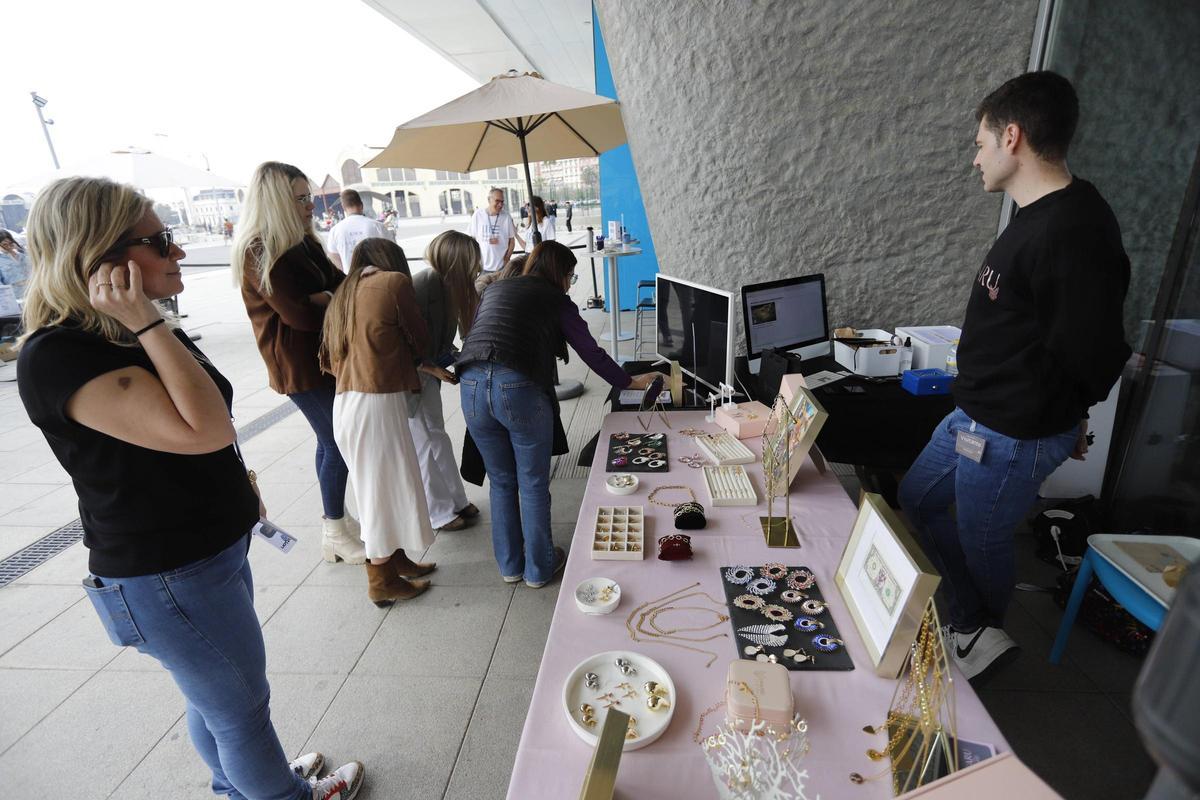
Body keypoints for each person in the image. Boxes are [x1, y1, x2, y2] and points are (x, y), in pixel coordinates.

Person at [16, 176, 363, 800]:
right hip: (165, 576)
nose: (179, 253)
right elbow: (205, 427)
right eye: (160, 240)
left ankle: (242, 787)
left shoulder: (117, 333)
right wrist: (149, 322)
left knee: (217, 705)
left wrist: (238, 483)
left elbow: (184, 442)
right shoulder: (62, 353)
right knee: (242, 711)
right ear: (99, 256)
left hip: (202, 556)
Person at [898, 71, 1130, 682]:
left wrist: (1071, 414)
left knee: (983, 541)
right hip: (973, 417)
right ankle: (973, 617)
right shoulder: (1035, 215)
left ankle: (979, 632)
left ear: (1013, 137)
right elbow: (1042, 328)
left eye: (979, 143)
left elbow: (1095, 347)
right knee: (916, 498)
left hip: (1012, 434)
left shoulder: (1075, 231)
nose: (974, 156)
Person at [456, 241, 663, 587]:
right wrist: (628, 381)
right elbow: (591, 352)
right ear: (560, 273)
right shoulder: (556, 300)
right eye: (571, 275)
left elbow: (477, 334)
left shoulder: (497, 289)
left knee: (502, 481)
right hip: (516, 386)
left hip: (471, 384)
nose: (570, 282)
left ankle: (510, 566)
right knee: (533, 482)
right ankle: (539, 568)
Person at [232, 162, 364, 564]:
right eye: (301, 198)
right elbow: (300, 316)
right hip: (297, 365)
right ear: (275, 202)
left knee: (331, 440)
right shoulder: (259, 250)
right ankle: (335, 529)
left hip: (323, 356)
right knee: (337, 441)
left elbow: (341, 286)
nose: (311, 205)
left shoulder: (302, 242)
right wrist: (324, 298)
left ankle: (336, 524)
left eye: (310, 197)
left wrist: (324, 296)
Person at [320, 238, 443, 606]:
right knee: (379, 494)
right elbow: (420, 337)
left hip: (347, 404)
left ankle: (397, 559)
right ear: (392, 261)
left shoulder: (342, 292)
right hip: (377, 404)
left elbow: (327, 357)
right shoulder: (393, 283)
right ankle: (380, 579)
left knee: (381, 487)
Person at [411, 231, 482, 532]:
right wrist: (430, 367)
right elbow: (402, 337)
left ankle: (455, 499)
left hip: (428, 371)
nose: (477, 267)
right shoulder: (426, 282)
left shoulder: (449, 287)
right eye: (473, 261)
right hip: (412, 374)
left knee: (435, 434)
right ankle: (437, 511)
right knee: (424, 440)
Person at [326, 189, 392, 272]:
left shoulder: (335, 231)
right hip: (377, 279)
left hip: (351, 281)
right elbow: (392, 253)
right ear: (361, 205)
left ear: (343, 207)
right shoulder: (378, 226)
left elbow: (334, 258)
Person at [467, 188, 516, 274]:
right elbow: (471, 239)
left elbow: (512, 240)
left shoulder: (506, 216)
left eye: (502, 202)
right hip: (483, 267)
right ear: (489, 200)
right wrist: (475, 260)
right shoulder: (478, 215)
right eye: (497, 201)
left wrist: (507, 258)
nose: (500, 205)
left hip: (502, 268)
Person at [0, 229, 31, 299]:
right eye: (4, 245)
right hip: (16, 297)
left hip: (33, 290)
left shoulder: (21, 254)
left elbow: (35, 262)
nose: (8, 246)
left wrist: (20, 249)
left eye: (10, 243)